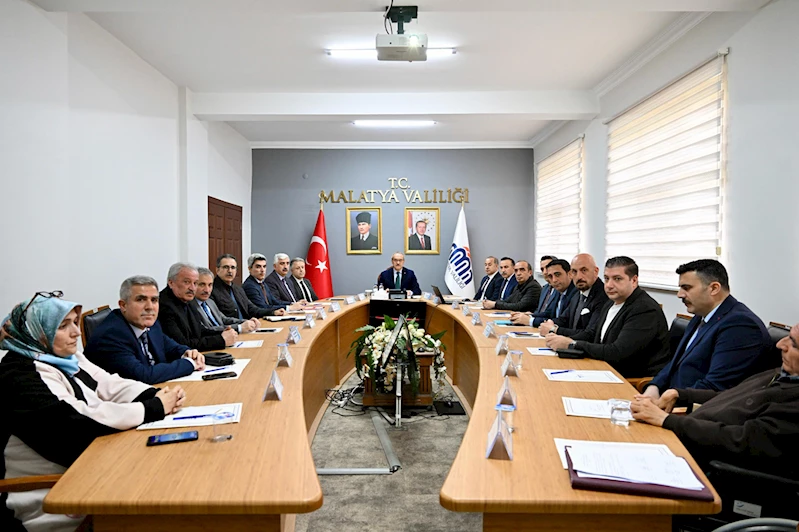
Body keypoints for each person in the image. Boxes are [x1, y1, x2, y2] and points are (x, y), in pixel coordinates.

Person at [1, 293, 185, 532]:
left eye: (74, 322)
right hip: (51, 495)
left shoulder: (60, 356)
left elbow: (107, 383)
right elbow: (79, 422)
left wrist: (155, 394)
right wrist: (154, 407)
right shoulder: (20, 375)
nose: (76, 333)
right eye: (63, 326)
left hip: (91, 468)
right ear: (36, 332)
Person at [631, 322, 799, 478]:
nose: (780, 344)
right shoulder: (782, 373)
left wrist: (667, 420)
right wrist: (681, 395)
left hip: (706, 469)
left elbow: (741, 440)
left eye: (793, 343)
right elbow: (730, 396)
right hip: (684, 442)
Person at [642, 259, 771, 398]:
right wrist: (654, 386)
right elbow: (676, 364)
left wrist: (670, 399)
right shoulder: (701, 315)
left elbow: (715, 387)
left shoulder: (741, 326)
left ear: (714, 288)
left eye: (686, 288)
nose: (680, 294)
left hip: (691, 407)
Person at [545, 256, 670, 378]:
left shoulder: (644, 309)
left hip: (629, 380)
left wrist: (572, 344)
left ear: (634, 280)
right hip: (603, 369)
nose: (609, 285)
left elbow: (617, 352)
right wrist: (561, 339)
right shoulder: (611, 302)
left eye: (617, 279)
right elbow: (593, 335)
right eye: (606, 278)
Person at [85, 276, 204, 384]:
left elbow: (170, 347)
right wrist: (189, 363)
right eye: (141, 300)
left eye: (154, 300)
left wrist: (187, 353)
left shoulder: (150, 323)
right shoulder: (111, 335)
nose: (149, 307)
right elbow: (143, 375)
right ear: (123, 305)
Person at [158, 262, 238, 351]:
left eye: (195, 283)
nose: (192, 288)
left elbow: (199, 330)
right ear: (171, 283)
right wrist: (221, 340)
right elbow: (183, 345)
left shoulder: (187, 300)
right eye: (187, 282)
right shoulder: (164, 306)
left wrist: (223, 333)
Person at [539, 253, 608, 337]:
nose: (579, 277)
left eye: (584, 270)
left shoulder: (603, 295)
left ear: (596, 271)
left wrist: (554, 330)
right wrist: (550, 323)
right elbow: (564, 319)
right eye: (574, 272)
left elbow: (590, 334)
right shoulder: (578, 293)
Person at [211, 254, 286, 319]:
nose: (230, 271)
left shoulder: (237, 289)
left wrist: (273, 312)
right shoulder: (211, 290)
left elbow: (252, 309)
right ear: (217, 270)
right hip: (234, 328)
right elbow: (220, 319)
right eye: (226, 267)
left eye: (233, 267)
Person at [511, 258, 577, 327]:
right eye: (550, 276)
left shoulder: (575, 293)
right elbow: (549, 313)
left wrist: (530, 321)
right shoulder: (558, 291)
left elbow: (563, 321)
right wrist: (530, 316)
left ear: (570, 274)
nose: (554, 280)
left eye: (557, 274)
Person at [194, 268, 259, 334]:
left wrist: (246, 322)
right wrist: (239, 327)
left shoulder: (210, 302)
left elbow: (223, 319)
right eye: (202, 285)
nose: (207, 290)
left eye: (210, 285)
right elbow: (207, 330)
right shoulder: (191, 306)